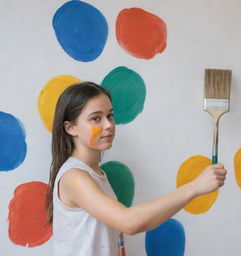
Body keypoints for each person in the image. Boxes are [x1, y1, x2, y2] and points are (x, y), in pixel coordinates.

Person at [46, 82, 227, 256]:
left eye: (110, 115)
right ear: (71, 128)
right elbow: (129, 222)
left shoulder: (97, 174)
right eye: (96, 118)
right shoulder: (74, 178)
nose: (109, 125)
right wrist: (194, 188)